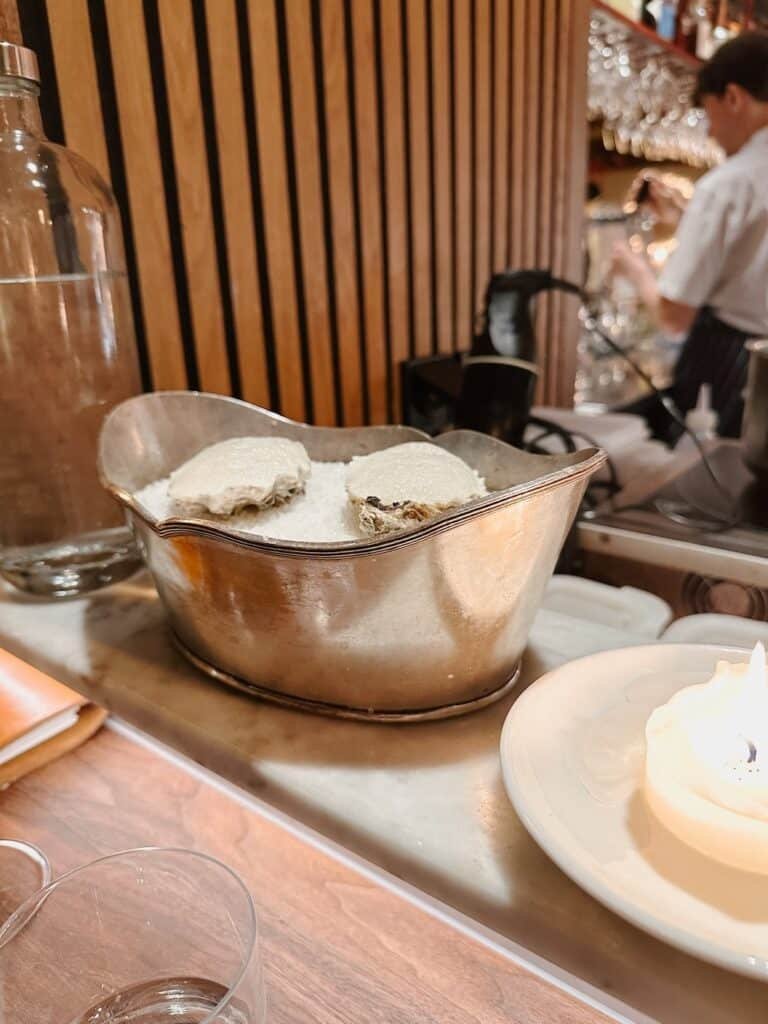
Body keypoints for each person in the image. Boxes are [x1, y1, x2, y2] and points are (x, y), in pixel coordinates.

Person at [611, 31, 768, 441]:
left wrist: (635, 267)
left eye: (710, 114)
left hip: (727, 370)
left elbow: (673, 316)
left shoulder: (729, 183)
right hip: (759, 365)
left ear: (734, 98)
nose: (711, 133)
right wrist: (686, 219)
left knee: (705, 488)